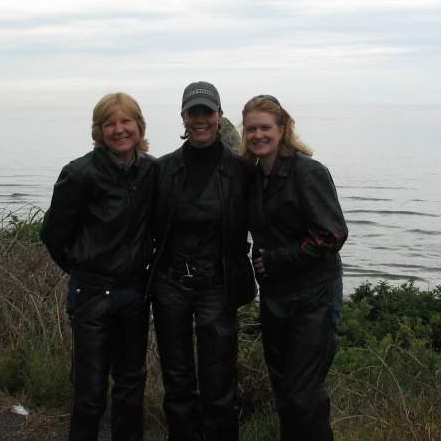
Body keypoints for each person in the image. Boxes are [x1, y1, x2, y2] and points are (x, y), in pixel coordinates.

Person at [40, 93, 155, 441]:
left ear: (139, 125)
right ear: (99, 130)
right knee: (90, 394)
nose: (119, 130)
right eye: (109, 123)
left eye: (126, 121)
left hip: (134, 293)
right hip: (92, 295)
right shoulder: (80, 174)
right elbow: (52, 234)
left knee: (131, 386)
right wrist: (83, 268)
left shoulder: (151, 170)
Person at [147, 81, 255, 441]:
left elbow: (269, 219)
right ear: (183, 116)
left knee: (219, 382)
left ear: (219, 116)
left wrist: (281, 260)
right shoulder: (161, 171)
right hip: (169, 285)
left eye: (207, 112)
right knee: (177, 381)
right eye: (193, 112)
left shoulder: (241, 172)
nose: (200, 120)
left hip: (218, 286)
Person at [240, 94, 348, 441]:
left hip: (314, 295)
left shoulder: (308, 172)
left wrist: (276, 260)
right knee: (286, 393)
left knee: (303, 395)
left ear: (282, 129)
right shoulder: (255, 176)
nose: (258, 134)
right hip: (276, 297)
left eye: (265, 127)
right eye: (251, 128)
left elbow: (331, 234)